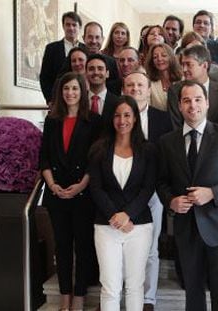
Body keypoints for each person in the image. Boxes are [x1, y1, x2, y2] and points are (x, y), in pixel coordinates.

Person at [157, 80, 218, 311]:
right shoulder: (167, 142)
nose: (193, 106)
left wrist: (213, 193)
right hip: (186, 227)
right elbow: (161, 182)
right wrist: (171, 200)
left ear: (207, 103)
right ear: (179, 105)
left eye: (198, 99)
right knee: (192, 288)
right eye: (187, 100)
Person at [40, 72, 101, 311]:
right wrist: (51, 184)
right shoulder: (52, 120)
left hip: (82, 193)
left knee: (83, 246)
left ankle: (79, 296)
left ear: (82, 91)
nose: (70, 93)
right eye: (66, 89)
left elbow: (96, 160)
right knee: (62, 246)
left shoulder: (93, 120)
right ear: (60, 92)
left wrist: (82, 185)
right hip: (56, 193)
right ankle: (65, 296)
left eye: (75, 88)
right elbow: (44, 157)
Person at [89, 95, 157, 311]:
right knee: (110, 287)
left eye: (127, 115)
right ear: (111, 119)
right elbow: (96, 188)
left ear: (135, 118)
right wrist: (115, 216)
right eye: (117, 115)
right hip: (106, 225)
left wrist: (127, 215)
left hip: (139, 225)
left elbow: (148, 189)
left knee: (135, 286)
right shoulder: (99, 149)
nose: (122, 120)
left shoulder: (148, 151)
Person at [123, 71, 172, 311]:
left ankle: (148, 299)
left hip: (153, 192)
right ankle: (122, 294)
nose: (135, 89)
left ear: (148, 89)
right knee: (121, 247)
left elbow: (167, 156)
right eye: (130, 85)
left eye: (140, 85)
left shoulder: (162, 119)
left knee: (151, 248)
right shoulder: (117, 117)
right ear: (124, 89)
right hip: (122, 192)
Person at [168, 45, 218, 129]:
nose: (184, 69)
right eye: (183, 65)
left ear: (204, 65)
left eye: (189, 64)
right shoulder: (175, 91)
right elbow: (176, 125)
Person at [40, 11, 84, 103]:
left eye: (74, 25)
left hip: (82, 100)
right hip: (58, 101)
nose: (71, 28)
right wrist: (50, 100)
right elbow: (45, 77)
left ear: (79, 27)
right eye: (68, 25)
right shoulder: (51, 49)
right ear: (63, 26)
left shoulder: (86, 50)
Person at [145, 43, 182, 111]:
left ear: (171, 57)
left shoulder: (182, 79)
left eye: (164, 55)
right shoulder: (148, 82)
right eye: (155, 57)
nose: (159, 59)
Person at [85, 54, 119, 127]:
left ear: (107, 74)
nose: (96, 72)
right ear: (86, 74)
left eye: (100, 68)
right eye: (91, 69)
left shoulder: (117, 103)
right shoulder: (79, 100)